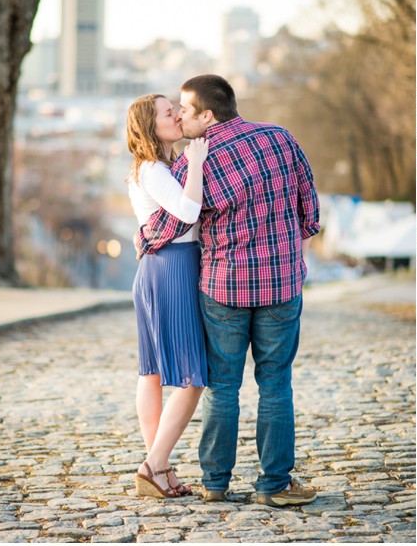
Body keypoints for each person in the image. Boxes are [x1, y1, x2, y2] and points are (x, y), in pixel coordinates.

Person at [136, 74, 321, 507]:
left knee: (223, 387)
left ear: (207, 114)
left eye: (185, 109)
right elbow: (309, 207)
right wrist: (299, 256)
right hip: (281, 283)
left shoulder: (194, 160)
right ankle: (274, 485)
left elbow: (172, 222)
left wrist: (143, 239)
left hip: (223, 288)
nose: (180, 116)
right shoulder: (280, 139)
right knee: (276, 383)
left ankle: (215, 483)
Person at [125, 93, 209, 498]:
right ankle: (154, 464)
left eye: (176, 108)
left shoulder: (158, 167)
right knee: (192, 377)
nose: (176, 114)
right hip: (171, 267)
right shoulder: (154, 169)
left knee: (153, 373)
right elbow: (188, 212)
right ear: (148, 125)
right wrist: (196, 163)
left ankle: (159, 466)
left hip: (164, 266)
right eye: (167, 112)